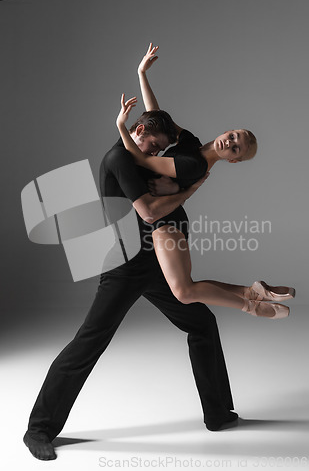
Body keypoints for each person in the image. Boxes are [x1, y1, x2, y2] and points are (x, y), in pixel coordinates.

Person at [23, 102, 236, 462]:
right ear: (138, 131)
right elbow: (149, 211)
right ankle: (38, 429)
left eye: (159, 150)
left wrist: (143, 75)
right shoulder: (119, 158)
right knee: (90, 341)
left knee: (202, 323)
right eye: (153, 145)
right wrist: (190, 189)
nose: (154, 154)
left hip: (155, 262)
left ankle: (217, 413)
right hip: (124, 265)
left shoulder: (138, 153)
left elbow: (160, 125)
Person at [116, 43, 295, 320]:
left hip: (167, 222)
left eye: (235, 148)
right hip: (171, 219)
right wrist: (142, 74)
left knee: (184, 292)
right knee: (186, 287)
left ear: (232, 160)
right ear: (228, 130)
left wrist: (120, 126)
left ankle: (253, 306)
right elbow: (158, 119)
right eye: (234, 136)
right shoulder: (192, 143)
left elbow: (142, 160)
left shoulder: (194, 164)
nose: (230, 142)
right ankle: (252, 291)